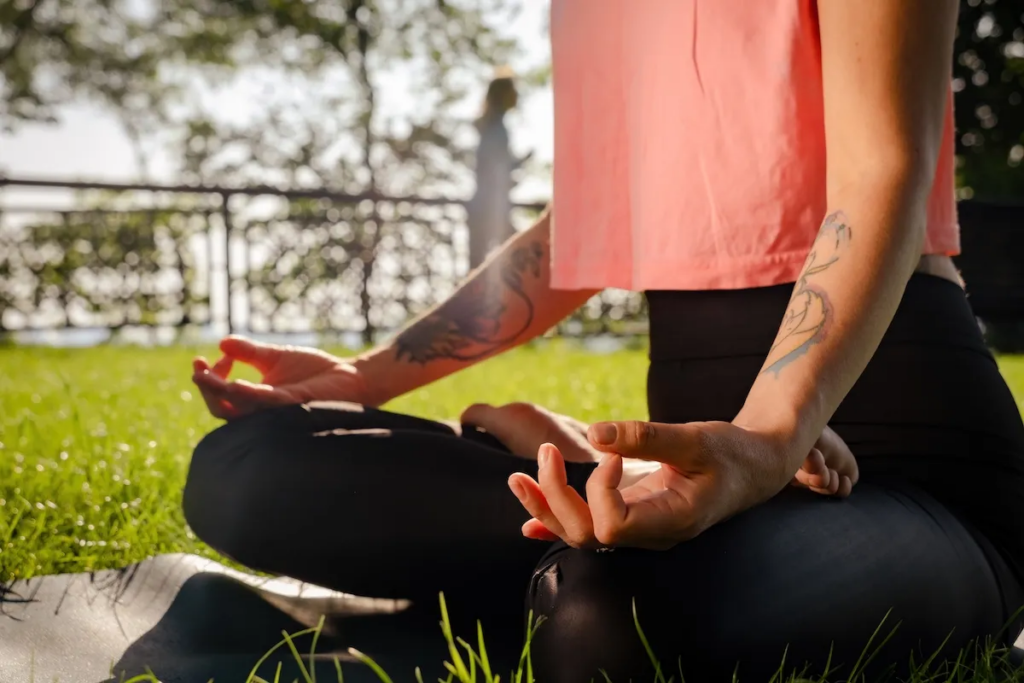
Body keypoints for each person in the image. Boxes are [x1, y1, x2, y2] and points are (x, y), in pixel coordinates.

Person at [183, 1, 1024, 681]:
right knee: (246, 473)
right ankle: (583, 484)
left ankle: (591, 534)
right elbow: (581, 228)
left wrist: (774, 434)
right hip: (691, 470)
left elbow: (884, 172)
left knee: (606, 619)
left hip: (905, 470)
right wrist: (362, 379)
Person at [466, 67, 530, 269]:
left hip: (488, 207)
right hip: (491, 209)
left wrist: (516, 165)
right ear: (504, 94)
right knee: (516, 265)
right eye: (514, 90)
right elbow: (491, 171)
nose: (517, 95)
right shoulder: (495, 128)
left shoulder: (493, 127)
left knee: (482, 270)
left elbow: (492, 167)